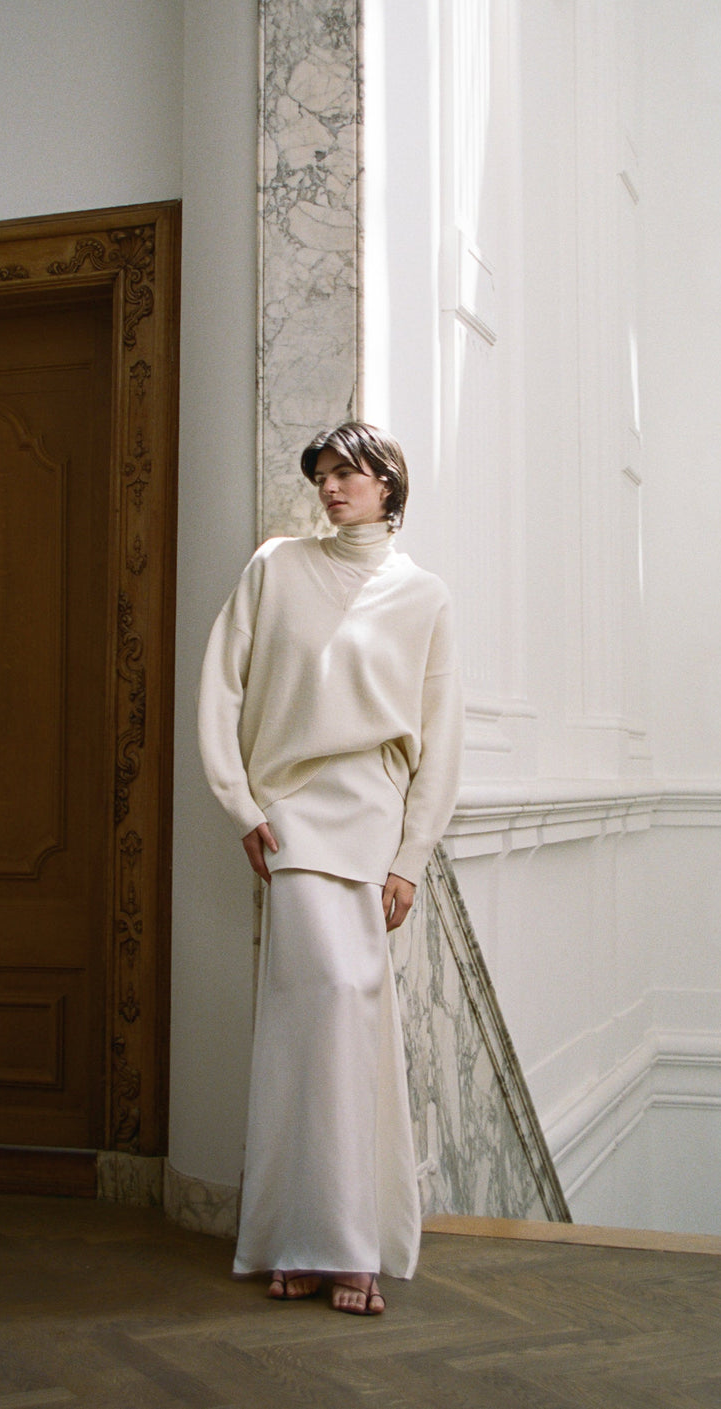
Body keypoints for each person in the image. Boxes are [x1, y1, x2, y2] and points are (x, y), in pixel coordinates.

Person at [198, 422, 463, 1316]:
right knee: (320, 1013)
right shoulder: (276, 566)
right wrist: (244, 802)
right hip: (297, 823)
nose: (331, 486)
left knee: (350, 1019)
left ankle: (341, 1239)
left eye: (350, 472)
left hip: (374, 826)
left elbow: (441, 741)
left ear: (389, 485)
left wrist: (411, 858)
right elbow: (221, 685)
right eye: (322, 473)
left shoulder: (423, 595)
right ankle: (323, 1242)